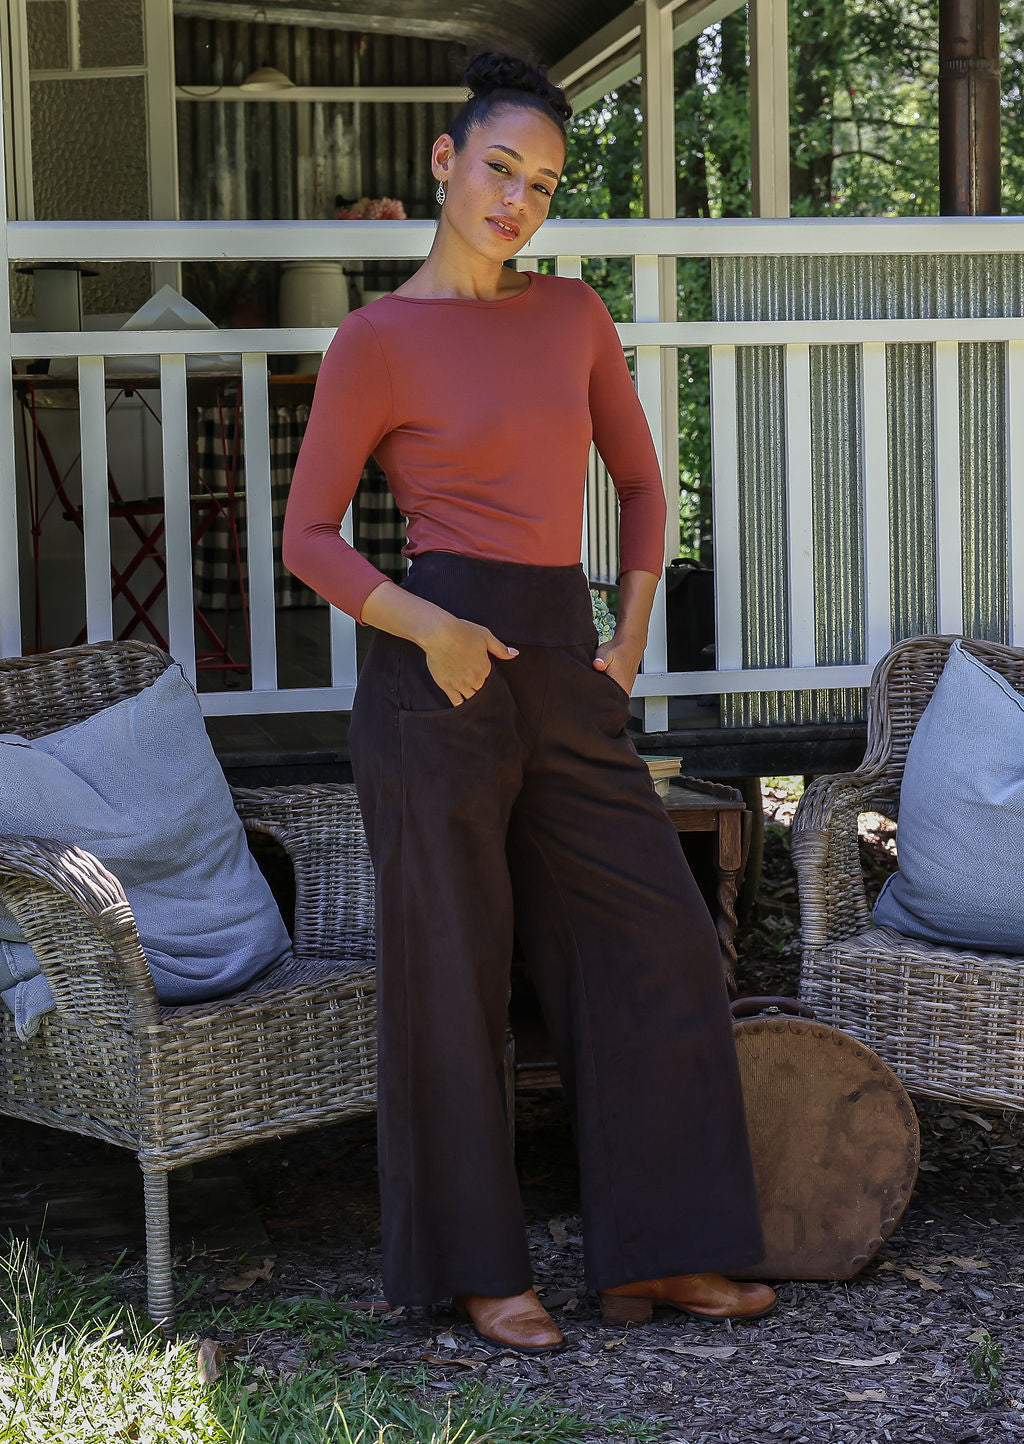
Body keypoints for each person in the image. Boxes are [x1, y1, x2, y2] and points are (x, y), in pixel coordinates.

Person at [283, 50, 775, 1355]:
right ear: (446, 164)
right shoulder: (377, 340)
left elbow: (642, 483)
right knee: (451, 971)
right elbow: (310, 536)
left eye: (543, 184)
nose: (518, 200)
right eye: (499, 169)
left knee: (659, 940)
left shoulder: (571, 317)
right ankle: (478, 1272)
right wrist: (430, 625)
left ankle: (662, 1258)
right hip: (431, 671)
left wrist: (623, 637)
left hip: (564, 665)